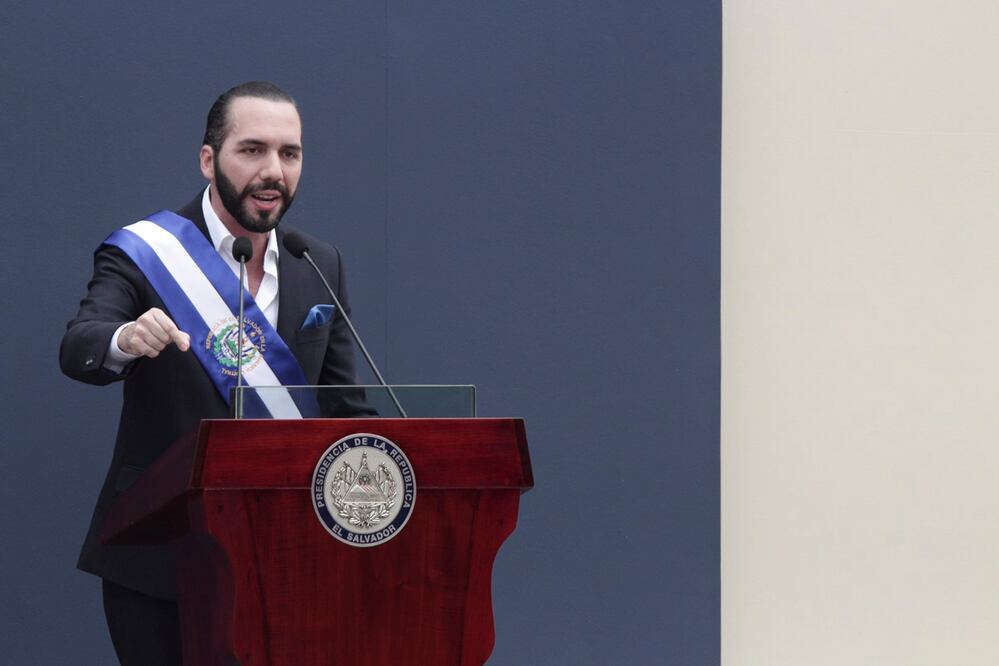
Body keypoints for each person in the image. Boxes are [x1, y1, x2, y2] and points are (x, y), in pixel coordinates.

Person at [60, 81, 363, 665]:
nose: (273, 170)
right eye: (252, 150)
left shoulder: (317, 263)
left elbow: (349, 407)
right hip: (161, 554)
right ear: (209, 160)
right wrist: (125, 338)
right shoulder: (144, 251)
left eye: (290, 153)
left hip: (288, 553)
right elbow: (81, 344)